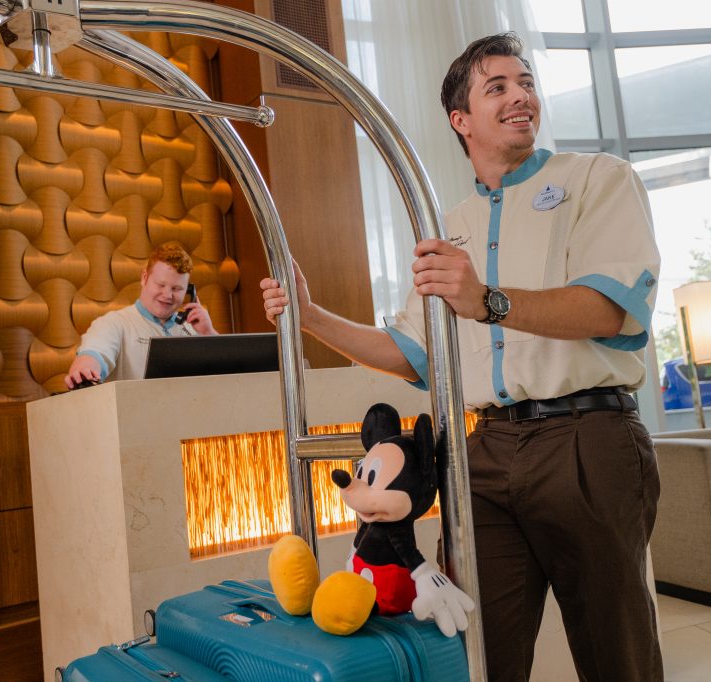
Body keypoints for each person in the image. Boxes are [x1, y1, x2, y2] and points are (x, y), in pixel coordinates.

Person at [260, 32, 662, 682]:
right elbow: (410, 352)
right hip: (487, 450)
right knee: (478, 650)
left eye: (525, 82)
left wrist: (488, 301)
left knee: (616, 650)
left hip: (588, 439)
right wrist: (310, 316)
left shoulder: (597, 180)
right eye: (497, 87)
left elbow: (612, 310)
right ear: (461, 119)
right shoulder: (445, 226)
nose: (520, 96)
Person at [65, 242, 217, 388]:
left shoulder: (194, 329)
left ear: (188, 291)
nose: (167, 295)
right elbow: (94, 353)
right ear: (144, 278)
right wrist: (83, 371)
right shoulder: (114, 323)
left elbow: (229, 378)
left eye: (177, 289)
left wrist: (208, 334)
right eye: (161, 285)